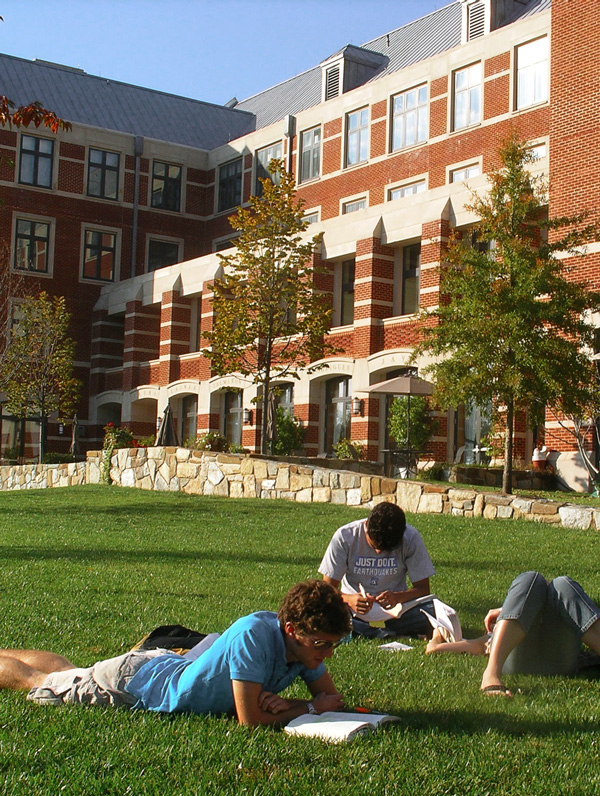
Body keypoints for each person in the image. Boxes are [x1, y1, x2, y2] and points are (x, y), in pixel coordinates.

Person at [0, 580, 351, 727]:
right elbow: (250, 721)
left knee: (71, 672)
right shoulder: (254, 636)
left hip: (161, 666)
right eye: (322, 643)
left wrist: (289, 705)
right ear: (292, 629)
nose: (328, 654)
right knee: (39, 683)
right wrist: (304, 708)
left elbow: (330, 697)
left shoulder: (306, 651)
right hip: (136, 683)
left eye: (333, 644)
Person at [425, 571, 600, 697]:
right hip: (559, 661)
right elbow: (434, 650)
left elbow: (435, 649)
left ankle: (491, 674)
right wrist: (436, 638)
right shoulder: (498, 635)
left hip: (531, 661)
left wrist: (437, 636)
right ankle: (491, 673)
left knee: (545, 582)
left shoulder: (497, 635)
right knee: (540, 581)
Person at [319, 501, 436, 638]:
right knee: (322, 609)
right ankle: (387, 632)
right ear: (365, 527)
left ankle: (364, 631)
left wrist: (398, 597)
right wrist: (348, 599)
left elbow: (423, 589)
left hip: (395, 610)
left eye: (386, 549)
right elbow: (326, 588)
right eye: (374, 546)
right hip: (351, 609)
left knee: (434, 610)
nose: (379, 551)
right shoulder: (345, 536)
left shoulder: (411, 537)